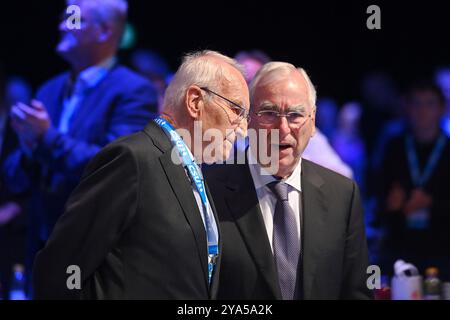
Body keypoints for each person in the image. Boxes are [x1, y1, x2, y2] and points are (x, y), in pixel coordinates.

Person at [33, 50, 250, 299]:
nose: (243, 130)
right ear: (195, 102)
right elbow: (60, 268)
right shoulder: (132, 160)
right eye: (236, 110)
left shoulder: (194, 171)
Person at [3, 0, 157, 297]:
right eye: (64, 18)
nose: (62, 25)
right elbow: (15, 179)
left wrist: (45, 138)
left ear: (103, 31)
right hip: (42, 247)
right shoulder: (49, 88)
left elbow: (114, 168)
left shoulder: (133, 91)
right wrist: (29, 146)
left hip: (96, 253)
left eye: (74, 20)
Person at [204, 62, 371, 299]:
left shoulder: (343, 195)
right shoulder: (207, 190)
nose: (282, 129)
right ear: (246, 118)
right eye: (269, 113)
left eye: (295, 115)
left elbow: (357, 293)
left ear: (312, 123)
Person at [376, 81, 450, 280]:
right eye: (416, 103)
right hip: (400, 248)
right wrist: (390, 203)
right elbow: (377, 196)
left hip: (443, 249)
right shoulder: (394, 148)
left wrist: (432, 202)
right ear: (407, 108)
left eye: (429, 103)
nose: (422, 110)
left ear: (442, 109)